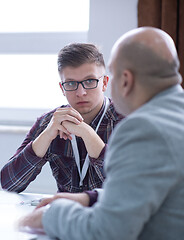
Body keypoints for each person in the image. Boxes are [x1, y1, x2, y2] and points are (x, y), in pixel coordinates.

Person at [19, 27, 184, 239]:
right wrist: (90, 198)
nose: (81, 92)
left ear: (125, 80)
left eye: (110, 76)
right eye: (71, 84)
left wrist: (50, 216)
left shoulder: (142, 128)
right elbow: (142, 188)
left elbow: (107, 232)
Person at [1, 43, 124, 193]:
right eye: (71, 83)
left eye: (90, 81)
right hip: (66, 214)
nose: (81, 92)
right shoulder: (49, 122)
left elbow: (131, 186)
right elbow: (9, 184)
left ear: (104, 83)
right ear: (62, 88)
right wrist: (45, 136)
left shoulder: (126, 121)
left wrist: (89, 135)